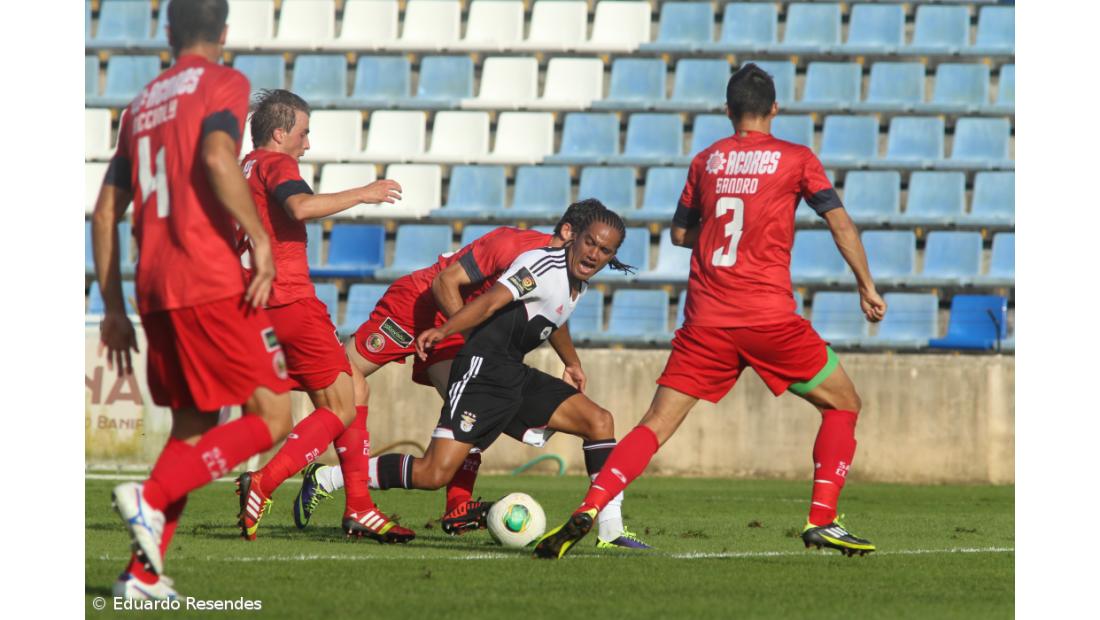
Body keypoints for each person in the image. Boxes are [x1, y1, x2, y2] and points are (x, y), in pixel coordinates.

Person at [535, 63, 888, 560]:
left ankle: (593, 506)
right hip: (768, 318)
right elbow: (841, 224)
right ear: (774, 109)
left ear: (728, 111)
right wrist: (866, 286)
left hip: (706, 320)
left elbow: (680, 234)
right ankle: (823, 520)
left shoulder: (707, 161)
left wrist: (721, 236)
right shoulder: (796, 158)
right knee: (843, 403)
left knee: (654, 424)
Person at [92, 0, 295, 599]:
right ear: (224, 33)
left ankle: (143, 575)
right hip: (207, 278)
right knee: (272, 416)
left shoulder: (140, 106)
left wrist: (111, 306)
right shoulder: (224, 83)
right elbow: (213, 157)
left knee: (193, 427)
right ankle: (148, 499)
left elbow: (105, 212)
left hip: (154, 287)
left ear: (168, 31)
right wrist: (259, 238)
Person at [299, 202, 650, 548]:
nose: (593, 253)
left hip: (513, 373)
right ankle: (330, 478)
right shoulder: (539, 262)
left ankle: (610, 528)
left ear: (612, 256)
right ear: (573, 236)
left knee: (599, 421)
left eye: (604, 250)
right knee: (433, 473)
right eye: (590, 242)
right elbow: (491, 302)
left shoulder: (577, 281)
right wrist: (447, 330)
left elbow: (552, 313)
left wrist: (572, 362)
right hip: (482, 372)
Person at [230, 89, 414, 543]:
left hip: (257, 305)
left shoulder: (242, 170)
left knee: (353, 386)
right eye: (303, 132)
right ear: (279, 132)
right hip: (289, 301)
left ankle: (360, 509)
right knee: (342, 403)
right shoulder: (275, 164)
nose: (307, 144)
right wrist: (365, 193)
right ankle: (264, 483)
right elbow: (300, 206)